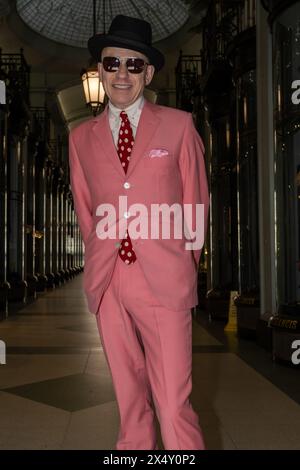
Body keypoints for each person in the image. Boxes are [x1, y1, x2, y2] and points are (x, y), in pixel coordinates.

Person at [69, 14, 209, 450]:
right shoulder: (80, 138)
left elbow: (195, 208)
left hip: (164, 281)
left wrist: (183, 269)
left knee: (172, 406)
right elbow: (86, 212)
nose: (122, 74)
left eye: (133, 64)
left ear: (148, 72)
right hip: (109, 283)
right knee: (131, 408)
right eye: (112, 64)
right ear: (100, 70)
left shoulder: (178, 125)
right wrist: (99, 265)